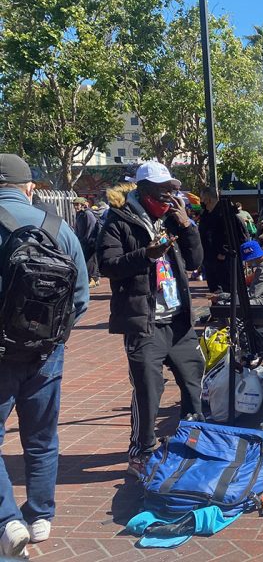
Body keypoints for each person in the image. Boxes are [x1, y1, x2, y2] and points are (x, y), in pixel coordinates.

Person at [0, 154, 89, 558]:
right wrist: (52, 337)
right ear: (30, 187)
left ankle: (7, 521)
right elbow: (81, 298)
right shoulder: (58, 228)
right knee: (41, 438)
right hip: (46, 354)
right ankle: (40, 516)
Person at [98, 161, 205, 478]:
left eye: (171, 190)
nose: (168, 197)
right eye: (162, 191)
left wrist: (187, 226)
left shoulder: (172, 218)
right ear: (143, 190)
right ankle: (142, 452)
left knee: (193, 384)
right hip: (145, 321)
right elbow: (107, 265)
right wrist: (146, 255)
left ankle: (191, 444)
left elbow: (195, 261)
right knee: (148, 389)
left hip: (178, 320)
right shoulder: (119, 220)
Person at [199, 188, 247, 293]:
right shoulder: (207, 214)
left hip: (223, 261)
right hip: (210, 259)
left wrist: (224, 253)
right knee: (215, 290)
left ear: (208, 199)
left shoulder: (225, 214)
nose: (201, 201)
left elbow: (235, 235)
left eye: (202, 198)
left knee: (227, 290)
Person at [73, 196, 100, 288]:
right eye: (74, 204)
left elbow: (91, 227)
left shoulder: (88, 214)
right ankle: (95, 279)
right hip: (84, 241)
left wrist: (86, 240)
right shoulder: (80, 214)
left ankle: (92, 279)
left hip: (90, 241)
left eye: (77, 204)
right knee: (89, 260)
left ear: (83, 205)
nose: (75, 206)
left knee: (90, 261)